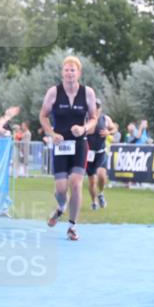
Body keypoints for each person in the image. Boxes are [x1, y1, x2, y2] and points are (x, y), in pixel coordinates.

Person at [38, 55, 99, 241]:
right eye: (66, 69)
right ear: (62, 73)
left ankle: (72, 226)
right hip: (61, 144)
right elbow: (43, 116)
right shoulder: (53, 92)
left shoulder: (88, 93)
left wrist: (84, 128)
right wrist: (51, 133)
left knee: (76, 183)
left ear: (78, 73)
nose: (69, 73)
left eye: (73, 70)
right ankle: (61, 207)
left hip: (80, 144)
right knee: (61, 189)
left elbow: (94, 119)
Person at [86, 100, 114, 211]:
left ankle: (101, 193)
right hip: (88, 154)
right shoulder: (85, 119)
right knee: (92, 180)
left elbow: (114, 128)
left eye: (97, 107)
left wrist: (109, 132)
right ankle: (94, 202)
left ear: (100, 109)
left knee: (102, 176)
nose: (96, 109)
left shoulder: (105, 118)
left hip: (101, 153)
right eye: (93, 107)